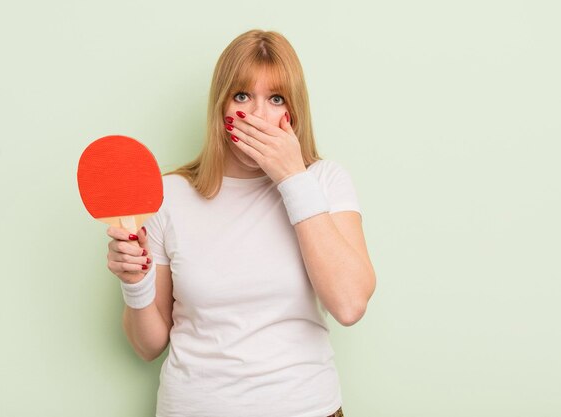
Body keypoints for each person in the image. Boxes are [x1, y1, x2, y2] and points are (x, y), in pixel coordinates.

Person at [106, 29, 376, 417]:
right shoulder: (168, 196)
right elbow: (147, 346)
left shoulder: (324, 182)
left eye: (276, 99)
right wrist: (135, 282)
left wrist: (291, 177)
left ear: (293, 112)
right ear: (221, 106)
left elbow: (350, 305)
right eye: (242, 96)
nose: (256, 116)